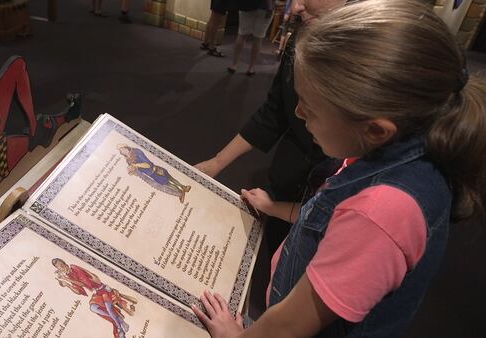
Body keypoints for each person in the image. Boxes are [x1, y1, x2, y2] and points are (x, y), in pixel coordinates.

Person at [192, 0, 486, 337]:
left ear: (375, 129)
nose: (299, 115)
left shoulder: (381, 213)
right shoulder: (397, 152)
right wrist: (273, 207)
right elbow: (329, 221)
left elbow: (289, 326)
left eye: (311, 108)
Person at [196, 0, 346, 256]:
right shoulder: (304, 32)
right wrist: (217, 162)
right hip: (290, 176)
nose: (295, 7)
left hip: (331, 193)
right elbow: (275, 111)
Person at [228, 0, 275, 76]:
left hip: (247, 5)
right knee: (258, 38)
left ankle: (234, 65)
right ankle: (251, 68)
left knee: (241, 35)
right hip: (265, 8)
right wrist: (270, 7)